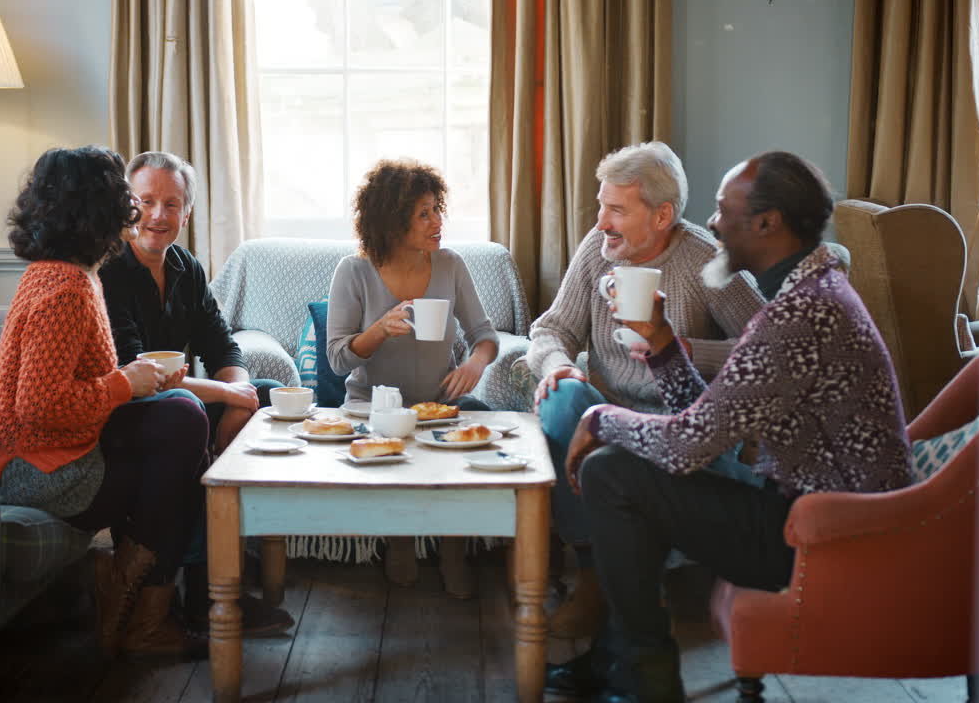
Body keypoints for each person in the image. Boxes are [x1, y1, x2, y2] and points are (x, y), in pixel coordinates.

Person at [546, 151, 914, 702]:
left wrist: (602, 417)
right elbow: (710, 421)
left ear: (767, 224)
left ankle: (642, 681)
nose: (712, 224)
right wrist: (665, 345)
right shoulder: (810, 295)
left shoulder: (800, 316)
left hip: (827, 532)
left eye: (724, 210)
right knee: (619, 469)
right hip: (804, 509)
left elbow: (690, 443)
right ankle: (624, 664)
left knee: (612, 474)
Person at [0, 146, 209, 658]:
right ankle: (139, 605)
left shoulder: (67, 272)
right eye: (125, 194)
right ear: (98, 206)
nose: (135, 206)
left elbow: (71, 389)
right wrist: (126, 383)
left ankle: (137, 599)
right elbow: (40, 407)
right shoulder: (65, 288)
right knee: (182, 427)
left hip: (45, 449)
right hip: (30, 467)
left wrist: (137, 381)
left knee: (180, 420)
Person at [527, 141, 765, 638]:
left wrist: (682, 349)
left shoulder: (707, 258)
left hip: (684, 421)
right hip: (607, 413)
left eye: (615, 209)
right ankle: (593, 574)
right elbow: (552, 330)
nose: (600, 222)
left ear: (661, 215)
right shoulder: (597, 250)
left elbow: (764, 348)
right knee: (562, 397)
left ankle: (647, 586)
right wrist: (559, 365)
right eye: (601, 205)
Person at [99, 150, 292, 638]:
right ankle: (201, 591)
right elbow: (136, 369)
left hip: (176, 403)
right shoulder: (110, 270)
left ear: (187, 213)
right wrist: (228, 398)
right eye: (146, 201)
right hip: (123, 410)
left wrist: (239, 395)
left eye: (172, 203)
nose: (158, 216)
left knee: (267, 394)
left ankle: (216, 581)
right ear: (128, 206)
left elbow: (221, 343)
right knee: (190, 414)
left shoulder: (186, 266)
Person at [326, 158, 500, 598]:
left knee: (467, 451)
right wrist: (379, 330)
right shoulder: (354, 271)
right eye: (423, 213)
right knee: (395, 455)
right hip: (372, 407)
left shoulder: (450, 265)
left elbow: (485, 336)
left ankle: (453, 550)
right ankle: (400, 541)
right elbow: (337, 360)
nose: (437, 221)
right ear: (391, 220)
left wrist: (475, 364)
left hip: (437, 404)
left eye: (437, 209)